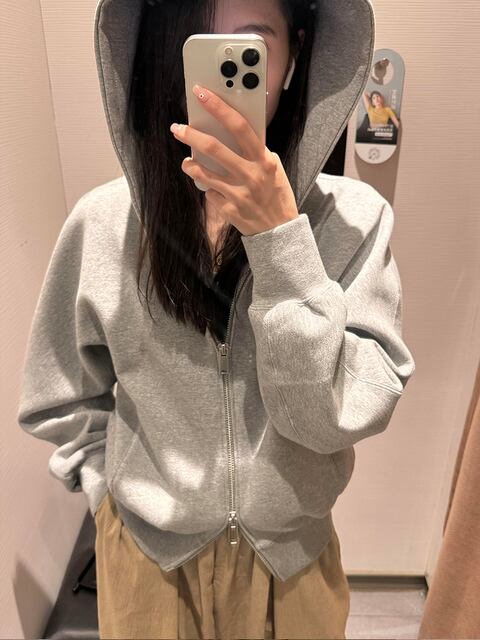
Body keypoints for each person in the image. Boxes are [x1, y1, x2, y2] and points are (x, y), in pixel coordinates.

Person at [17, 0, 416, 638]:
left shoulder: (354, 222)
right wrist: (109, 497)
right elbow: (58, 396)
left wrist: (281, 242)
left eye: (251, 47)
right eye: (198, 43)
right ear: (162, 51)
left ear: (294, 56)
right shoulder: (103, 224)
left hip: (292, 569)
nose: (222, 77)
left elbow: (332, 418)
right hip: (148, 568)